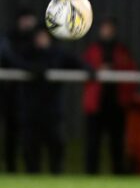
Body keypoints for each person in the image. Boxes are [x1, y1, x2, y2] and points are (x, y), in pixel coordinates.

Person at [10, 26, 89, 173]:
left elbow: (76, 62)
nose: (41, 40)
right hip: (31, 112)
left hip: (52, 112)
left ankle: (56, 174)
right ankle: (32, 176)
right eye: (38, 37)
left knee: (56, 146)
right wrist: (32, 68)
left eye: (44, 36)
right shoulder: (27, 53)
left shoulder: (58, 54)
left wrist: (89, 70)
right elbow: (13, 61)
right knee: (30, 147)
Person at [82, 17, 137, 174]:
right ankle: (90, 174)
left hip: (116, 103)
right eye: (104, 27)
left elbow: (131, 72)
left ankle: (119, 174)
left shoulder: (122, 50)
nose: (107, 31)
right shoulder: (92, 50)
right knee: (93, 143)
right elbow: (85, 69)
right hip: (96, 104)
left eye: (110, 28)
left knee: (117, 143)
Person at [1, 8, 37, 172]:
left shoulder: (36, 40)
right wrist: (30, 68)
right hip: (7, 95)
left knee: (27, 134)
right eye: (24, 19)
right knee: (11, 134)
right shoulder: (8, 39)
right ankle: (10, 168)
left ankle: (29, 169)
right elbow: (9, 58)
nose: (27, 22)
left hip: (28, 97)